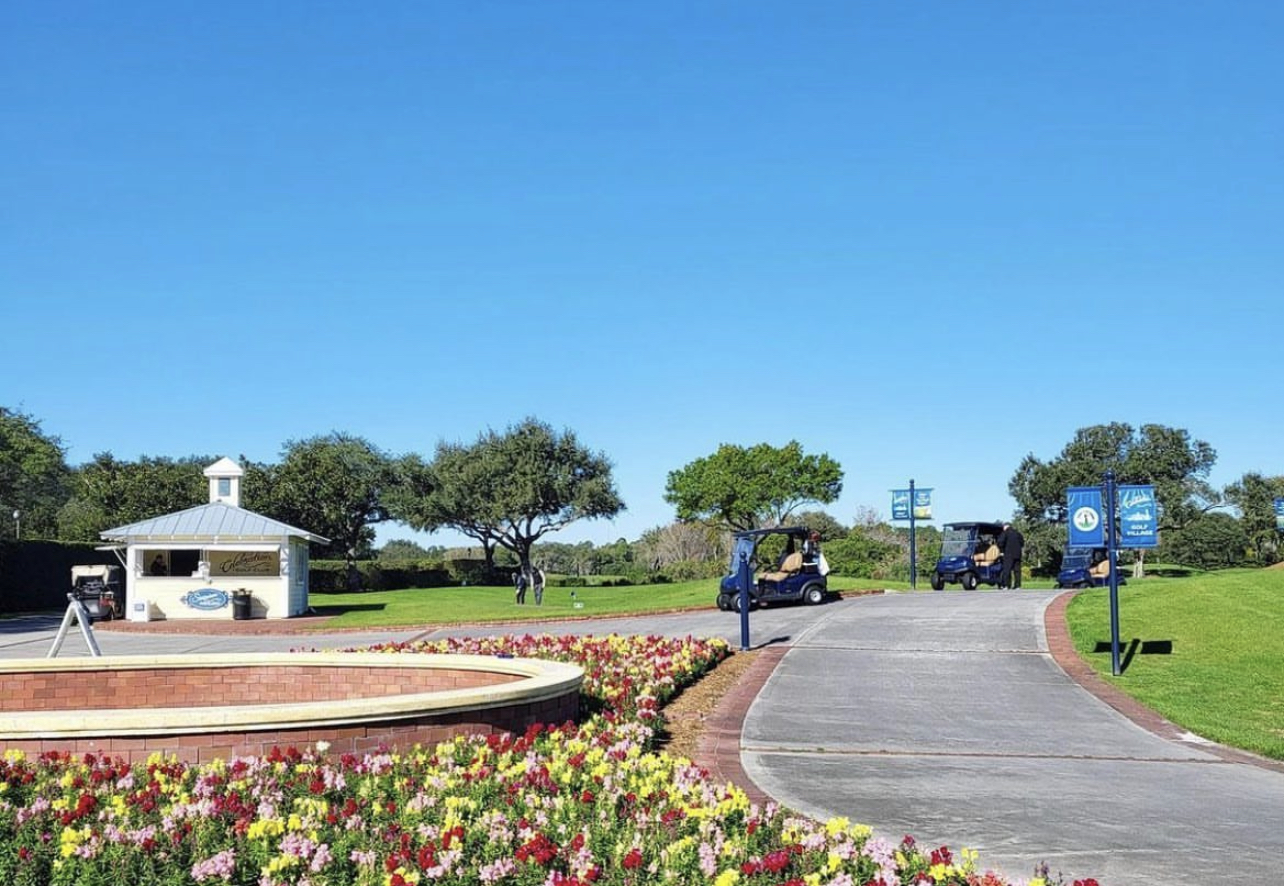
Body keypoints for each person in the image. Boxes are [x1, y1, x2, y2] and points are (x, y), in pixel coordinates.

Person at [997, 521, 1025, 589]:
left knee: (1007, 570)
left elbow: (1000, 542)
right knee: (1017, 570)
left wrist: (1001, 550)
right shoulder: (1017, 533)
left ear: (1005, 526)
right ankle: (1017, 585)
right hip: (1018, 554)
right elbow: (1022, 543)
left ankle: (1006, 585)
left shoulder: (1005, 533)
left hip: (1008, 554)